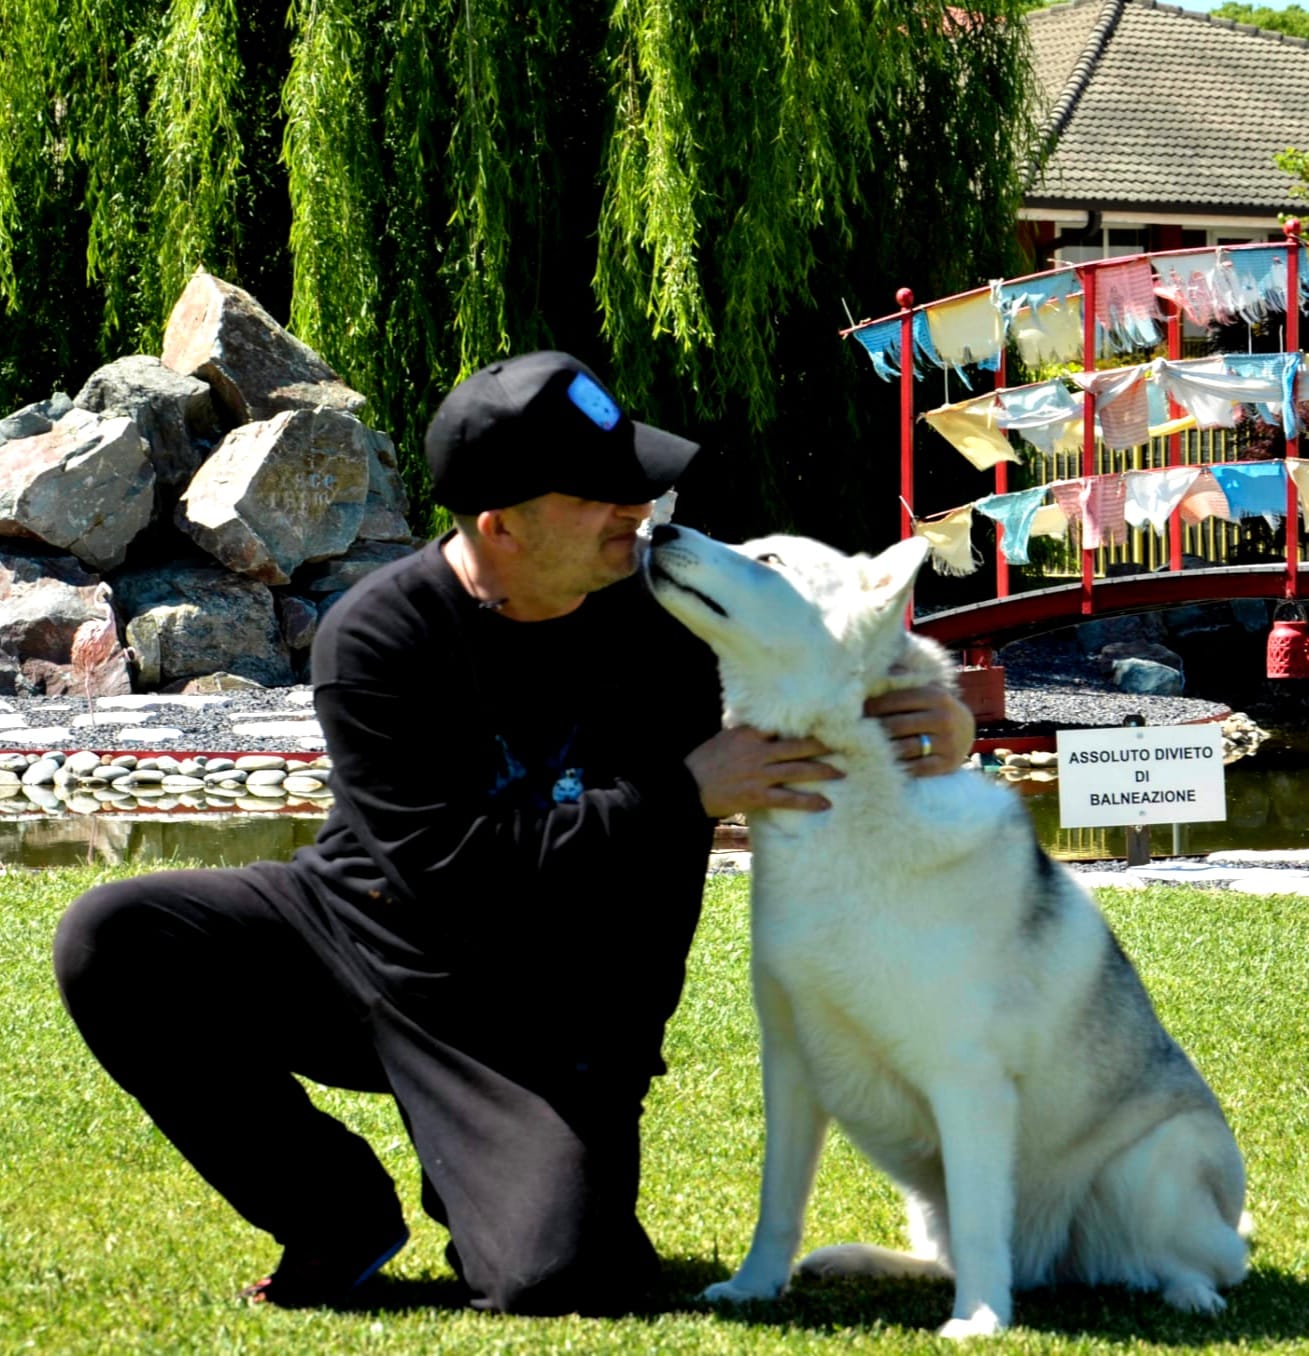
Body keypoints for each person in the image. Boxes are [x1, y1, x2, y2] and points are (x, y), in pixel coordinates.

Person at [53, 351, 974, 1317]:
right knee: (115, 935)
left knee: (561, 1280)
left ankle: (482, 1157)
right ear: (503, 524)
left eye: (638, 482)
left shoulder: (671, 611)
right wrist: (680, 794)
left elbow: (825, 640)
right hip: (364, 937)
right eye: (605, 493)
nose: (641, 508)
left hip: (552, 1021)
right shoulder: (377, 637)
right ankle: (333, 1212)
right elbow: (453, 870)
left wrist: (936, 712)